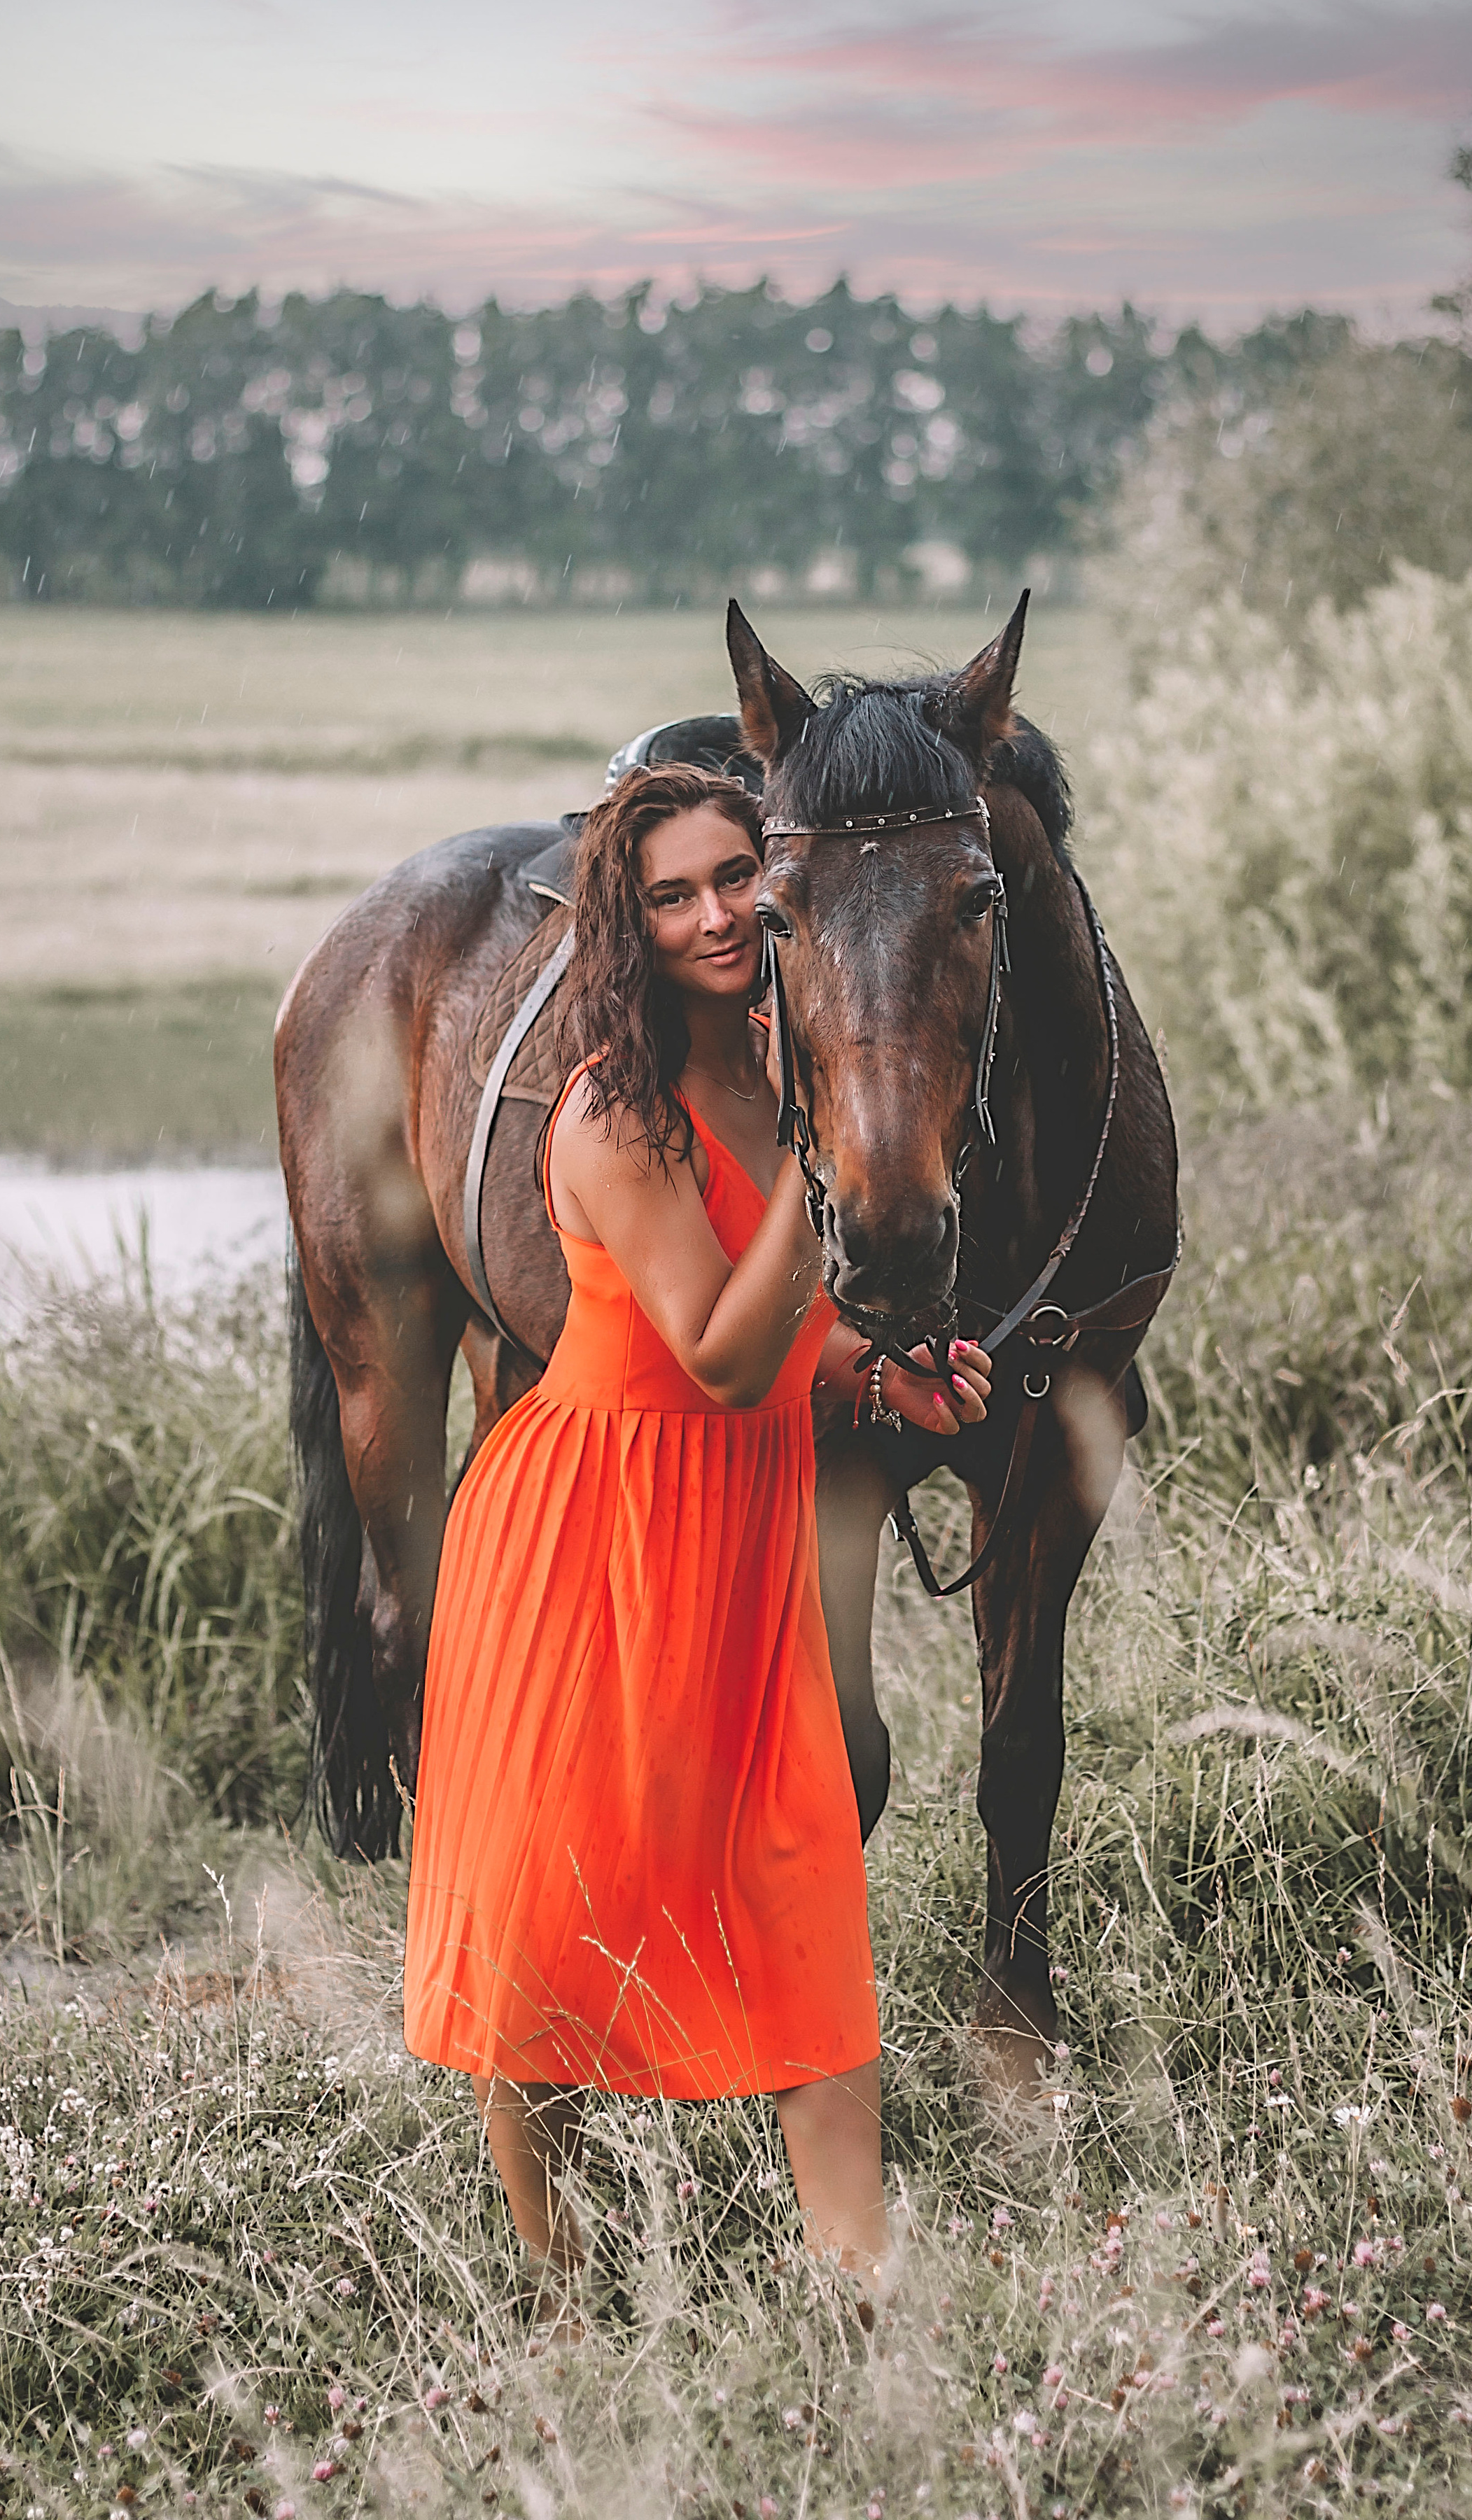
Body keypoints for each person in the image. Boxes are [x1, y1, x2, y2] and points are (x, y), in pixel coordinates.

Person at [403, 763, 991, 2307]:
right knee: (557, 1912)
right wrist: (823, 1169)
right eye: (673, 893)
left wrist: (885, 1376)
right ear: (631, 920)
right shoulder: (616, 1109)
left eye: (736, 877)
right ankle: (553, 2275)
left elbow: (784, 1359)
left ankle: (858, 2287)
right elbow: (720, 1353)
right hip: (586, 1533)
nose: (716, 913)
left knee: (798, 1883)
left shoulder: (788, 1061)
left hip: (737, 1550)